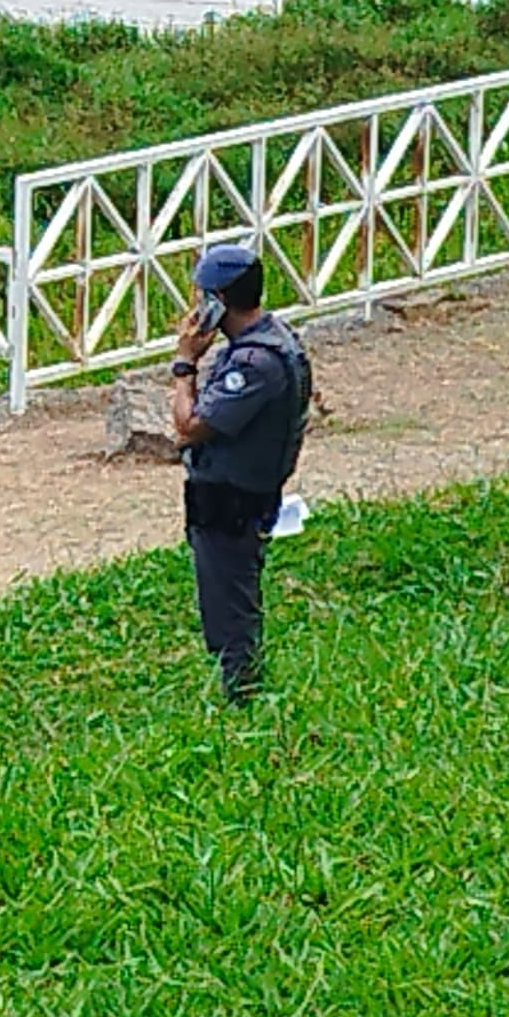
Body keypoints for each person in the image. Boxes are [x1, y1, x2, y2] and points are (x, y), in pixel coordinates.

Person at [166, 237, 313, 703]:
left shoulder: (254, 362)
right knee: (228, 596)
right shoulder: (274, 340)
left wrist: (185, 361)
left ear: (218, 301)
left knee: (229, 603)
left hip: (230, 500)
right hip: (237, 493)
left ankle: (242, 696)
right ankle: (239, 685)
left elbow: (189, 426)